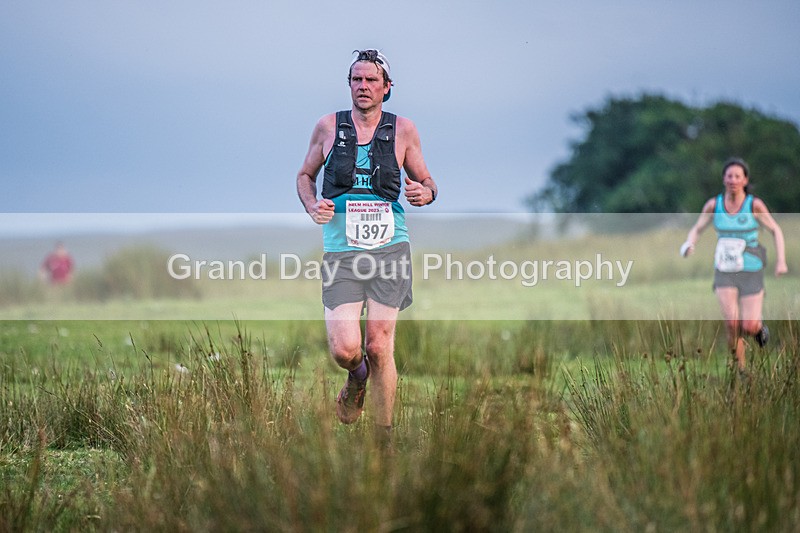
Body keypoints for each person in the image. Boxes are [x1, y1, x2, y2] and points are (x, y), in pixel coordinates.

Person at [296, 49, 438, 439]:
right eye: (356, 80)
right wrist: (312, 205)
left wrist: (424, 193)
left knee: (379, 346)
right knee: (345, 349)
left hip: (391, 249)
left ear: (387, 88)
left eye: (371, 80)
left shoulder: (404, 130)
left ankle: (383, 441)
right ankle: (356, 379)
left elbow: (428, 182)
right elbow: (305, 175)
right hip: (342, 252)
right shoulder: (328, 127)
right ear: (349, 85)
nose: (363, 86)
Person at [681, 158, 788, 372]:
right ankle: (741, 370)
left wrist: (781, 261)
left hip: (751, 268)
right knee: (732, 323)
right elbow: (698, 227)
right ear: (723, 179)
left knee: (748, 325)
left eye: (738, 176)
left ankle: (759, 329)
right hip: (724, 269)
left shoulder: (754, 205)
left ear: (745, 180)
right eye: (729, 176)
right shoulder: (714, 205)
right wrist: (689, 243)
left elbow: (776, 230)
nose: (733, 180)